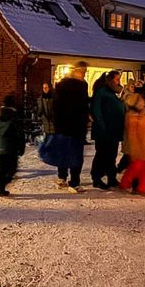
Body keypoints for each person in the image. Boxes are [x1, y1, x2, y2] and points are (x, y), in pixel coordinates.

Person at [50, 61, 90, 193]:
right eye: (84, 72)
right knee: (76, 155)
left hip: (62, 126)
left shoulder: (60, 85)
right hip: (76, 126)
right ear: (79, 71)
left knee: (63, 153)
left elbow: (54, 107)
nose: (84, 74)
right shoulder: (81, 86)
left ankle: (62, 178)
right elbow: (82, 107)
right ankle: (74, 182)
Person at [117, 95, 145, 195]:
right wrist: (133, 149)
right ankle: (125, 183)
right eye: (141, 101)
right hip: (138, 146)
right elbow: (131, 135)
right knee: (136, 167)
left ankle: (141, 188)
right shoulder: (131, 116)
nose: (143, 103)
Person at [89, 71, 124, 189]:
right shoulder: (102, 92)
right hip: (104, 131)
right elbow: (97, 111)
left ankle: (111, 177)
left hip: (114, 131)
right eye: (117, 79)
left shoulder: (113, 93)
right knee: (102, 155)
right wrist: (102, 127)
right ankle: (97, 178)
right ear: (110, 80)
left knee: (111, 155)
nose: (119, 82)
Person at [0, 94, 25, 196]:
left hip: (3, 145)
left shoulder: (1, 115)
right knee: (11, 168)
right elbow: (19, 133)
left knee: (3, 167)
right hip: (11, 146)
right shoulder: (14, 116)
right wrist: (21, 146)